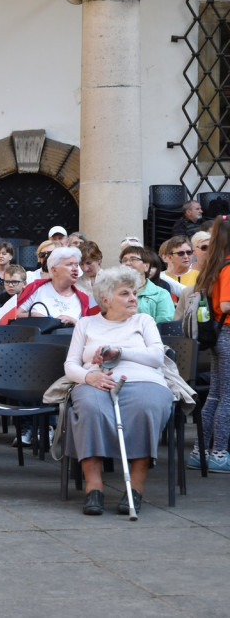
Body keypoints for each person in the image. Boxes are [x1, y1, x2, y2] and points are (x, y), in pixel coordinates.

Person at [62, 266, 175, 515]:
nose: (133, 298)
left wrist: (120, 352)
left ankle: (134, 488)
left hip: (144, 380)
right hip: (96, 381)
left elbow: (157, 356)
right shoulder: (86, 323)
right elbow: (70, 364)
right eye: (125, 293)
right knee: (90, 409)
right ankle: (94, 488)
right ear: (106, 299)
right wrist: (88, 376)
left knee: (146, 407)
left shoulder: (143, 321)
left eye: (134, 293)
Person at [190, 216, 230, 473]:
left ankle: (200, 452)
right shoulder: (228, 268)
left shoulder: (214, 266)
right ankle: (219, 453)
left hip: (218, 335)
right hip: (227, 333)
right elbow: (226, 305)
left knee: (216, 395)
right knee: (227, 397)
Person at [1, 247, 99, 325]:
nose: (75, 269)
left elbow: (92, 330)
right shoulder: (36, 288)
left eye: (76, 265)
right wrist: (33, 315)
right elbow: (11, 316)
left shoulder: (84, 298)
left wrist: (74, 322)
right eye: (69, 264)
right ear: (54, 270)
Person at [119, 246, 174, 323]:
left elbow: (164, 325)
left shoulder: (161, 294)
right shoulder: (114, 293)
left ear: (146, 266)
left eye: (133, 259)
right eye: (124, 260)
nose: (127, 263)